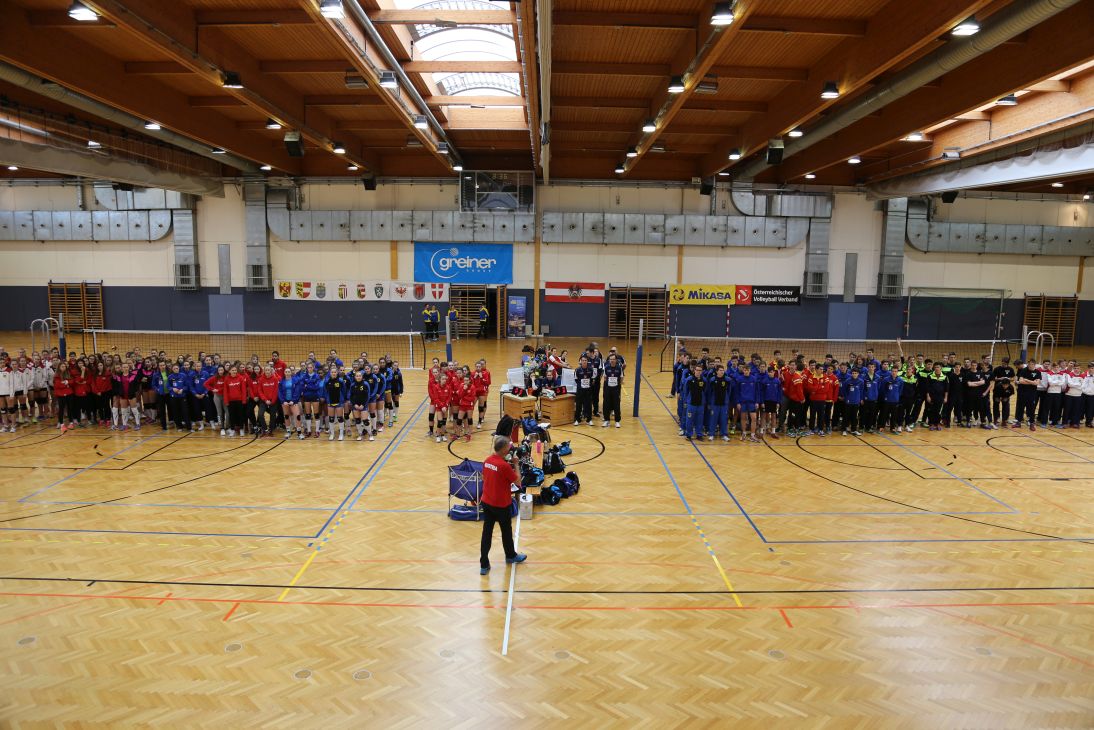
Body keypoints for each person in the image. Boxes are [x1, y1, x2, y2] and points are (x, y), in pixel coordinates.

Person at [479, 435, 527, 575]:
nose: (510, 448)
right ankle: (510, 556)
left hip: (487, 502)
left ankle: (484, 564)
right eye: (508, 446)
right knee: (506, 531)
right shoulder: (504, 466)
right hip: (501, 504)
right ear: (504, 449)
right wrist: (516, 464)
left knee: (486, 533)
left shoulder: (487, 460)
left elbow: (484, 477)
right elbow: (518, 482)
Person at [601, 353, 623, 428]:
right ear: (609, 360)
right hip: (608, 389)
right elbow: (605, 378)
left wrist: (618, 385)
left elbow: (621, 378)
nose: (612, 360)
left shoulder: (619, 368)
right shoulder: (606, 368)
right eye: (611, 359)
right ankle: (606, 420)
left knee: (616, 405)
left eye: (613, 359)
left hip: (616, 389)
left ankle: (617, 421)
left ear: (616, 360)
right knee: (606, 404)